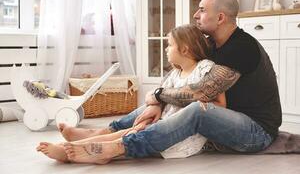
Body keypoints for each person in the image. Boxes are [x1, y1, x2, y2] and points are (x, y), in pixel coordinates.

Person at [41, 0, 282, 164]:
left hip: (256, 131)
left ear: (220, 18)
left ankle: (117, 147)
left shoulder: (242, 47)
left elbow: (200, 92)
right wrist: (158, 101)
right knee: (167, 102)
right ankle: (103, 133)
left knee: (197, 108)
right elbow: (179, 77)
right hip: (230, 118)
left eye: (202, 10)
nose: (196, 14)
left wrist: (159, 96)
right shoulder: (211, 44)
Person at [37, 24, 226, 162]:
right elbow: (157, 96)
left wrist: (200, 106)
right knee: (133, 129)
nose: (166, 49)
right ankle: (81, 146)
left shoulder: (205, 69)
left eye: (170, 45)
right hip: (161, 124)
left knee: (130, 134)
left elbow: (220, 104)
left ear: (185, 49)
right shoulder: (175, 73)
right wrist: (153, 110)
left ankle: (82, 150)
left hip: (180, 135)